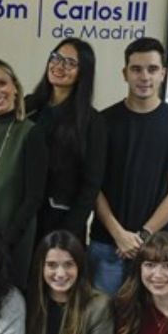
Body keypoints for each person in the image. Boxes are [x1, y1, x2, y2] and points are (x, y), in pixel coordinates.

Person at [88, 37, 168, 296]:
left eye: (152, 69)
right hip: (108, 246)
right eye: (136, 69)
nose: (144, 76)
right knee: (104, 328)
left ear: (163, 73)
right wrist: (119, 234)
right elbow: (92, 186)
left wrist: (143, 235)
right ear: (124, 73)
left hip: (157, 251)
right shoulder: (102, 122)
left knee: (151, 330)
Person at [24, 37, 107, 243]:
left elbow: (91, 186)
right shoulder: (28, 106)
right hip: (23, 217)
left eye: (70, 63)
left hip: (61, 222)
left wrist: (67, 232)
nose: (59, 66)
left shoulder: (92, 122)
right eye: (56, 57)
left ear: (83, 72)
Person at [0, 59, 47, 290]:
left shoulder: (31, 132)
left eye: (1, 83)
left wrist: (6, 241)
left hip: (15, 236)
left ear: (15, 87)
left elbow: (34, 197)